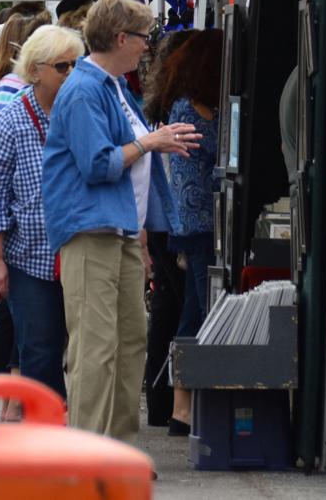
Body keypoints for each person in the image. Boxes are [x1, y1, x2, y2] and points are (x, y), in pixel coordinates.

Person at [41, 0, 200, 442]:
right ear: (121, 37)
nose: (147, 47)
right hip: (91, 231)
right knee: (96, 348)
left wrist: (144, 234)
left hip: (120, 231)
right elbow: (98, 164)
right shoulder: (85, 89)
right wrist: (152, 142)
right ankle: (87, 453)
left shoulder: (111, 85)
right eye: (144, 38)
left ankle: (117, 448)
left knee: (130, 343)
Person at [0, 26, 85, 413]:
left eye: (77, 64)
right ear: (36, 70)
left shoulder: (83, 111)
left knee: (86, 349)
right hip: (30, 257)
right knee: (39, 348)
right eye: (63, 66)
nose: (72, 73)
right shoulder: (12, 118)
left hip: (81, 249)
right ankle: (48, 432)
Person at [162, 30, 223, 435]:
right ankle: (184, 405)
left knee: (193, 311)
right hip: (198, 223)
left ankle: (181, 407)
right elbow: (217, 153)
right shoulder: (190, 112)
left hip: (195, 223)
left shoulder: (188, 106)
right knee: (204, 311)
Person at [139, 29, 198, 429]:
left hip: (161, 219)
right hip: (172, 220)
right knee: (181, 308)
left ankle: (161, 403)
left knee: (167, 309)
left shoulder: (162, 101)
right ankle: (172, 406)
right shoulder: (183, 108)